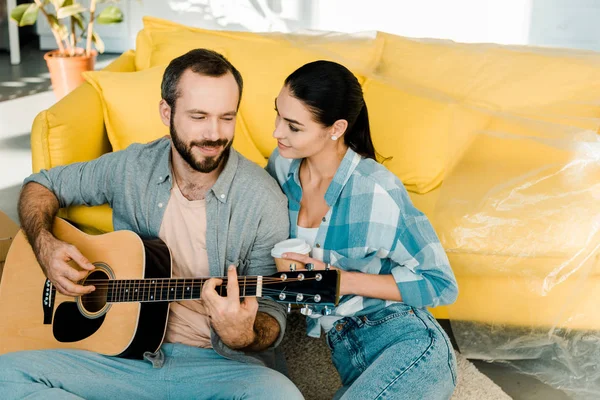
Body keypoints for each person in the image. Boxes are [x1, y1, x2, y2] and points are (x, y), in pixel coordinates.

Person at [0, 49, 303, 400]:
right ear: (166, 112)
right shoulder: (133, 167)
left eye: (226, 117)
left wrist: (245, 335)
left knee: (281, 395)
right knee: (7, 374)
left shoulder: (263, 199)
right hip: (119, 358)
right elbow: (41, 185)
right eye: (199, 116)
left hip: (215, 364)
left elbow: (272, 311)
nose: (214, 134)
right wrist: (44, 244)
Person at [267, 60, 459, 400]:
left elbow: (441, 284)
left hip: (408, 340)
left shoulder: (375, 190)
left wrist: (338, 280)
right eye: (278, 115)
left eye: (293, 126)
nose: (277, 132)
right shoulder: (282, 166)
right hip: (346, 346)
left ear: (336, 128)